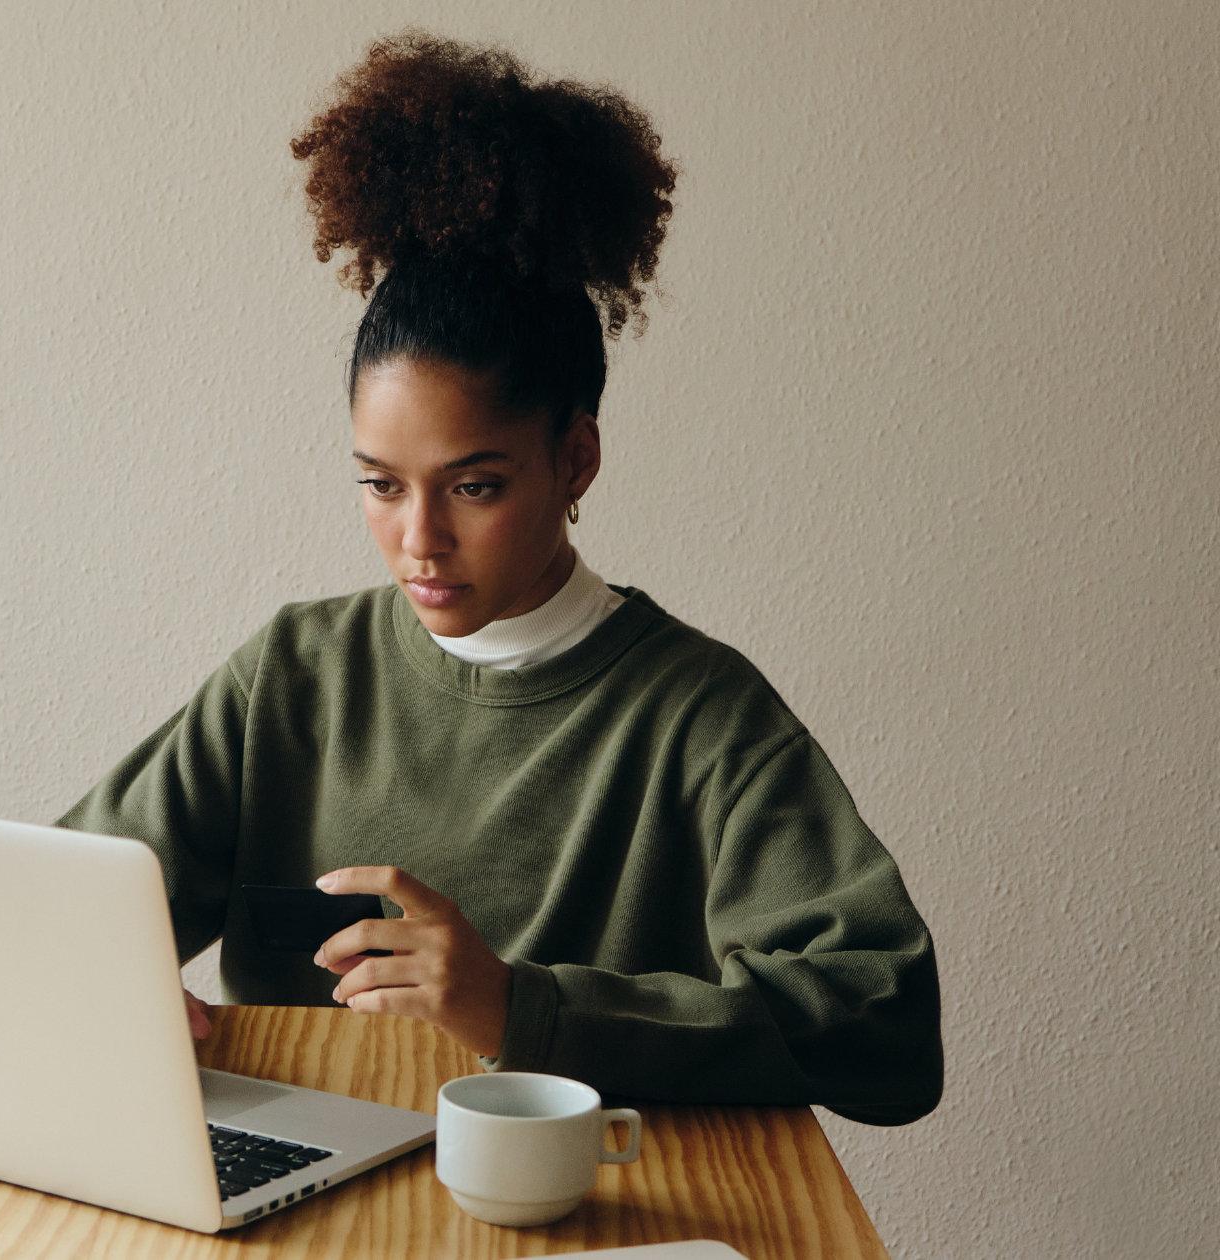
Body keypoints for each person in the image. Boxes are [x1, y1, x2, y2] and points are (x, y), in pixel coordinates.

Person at [56, 32, 942, 1126]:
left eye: (471, 487)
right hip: (290, 1185)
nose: (417, 539)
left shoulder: (697, 718)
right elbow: (65, 900)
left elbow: (882, 1021)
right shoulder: (291, 675)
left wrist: (520, 1008)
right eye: (380, 486)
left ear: (573, 459)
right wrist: (105, 977)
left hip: (580, 1203)